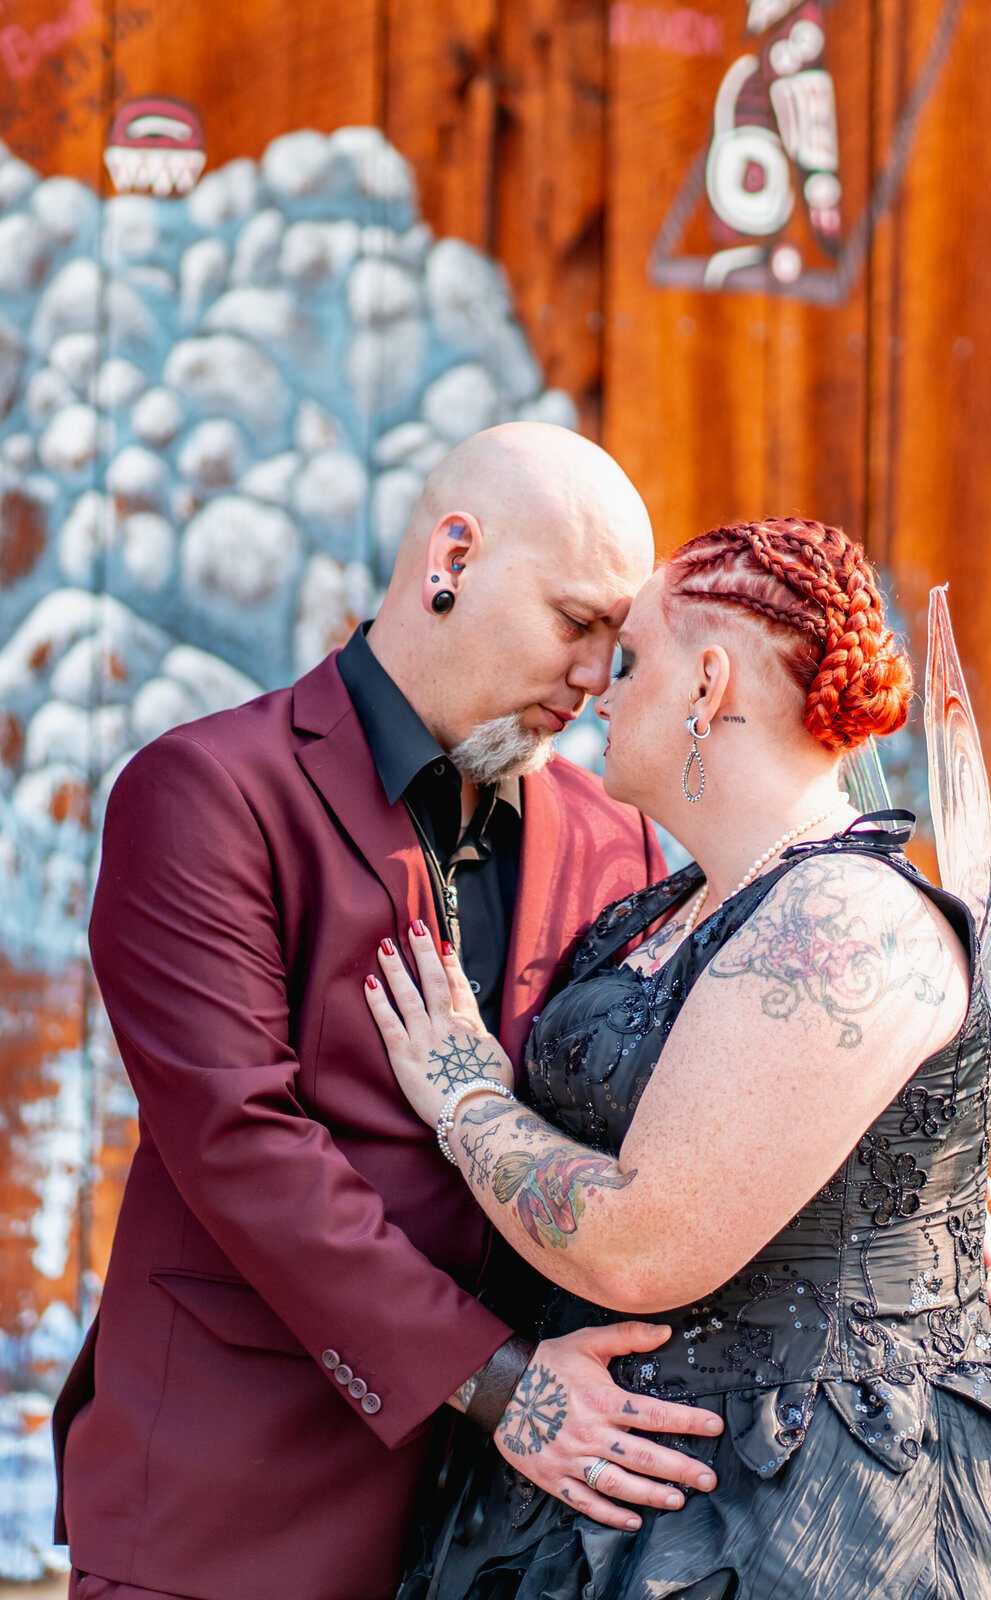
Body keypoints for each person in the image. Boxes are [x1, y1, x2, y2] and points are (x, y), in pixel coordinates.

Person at [366, 517, 991, 1599]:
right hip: (619, 1492)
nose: (602, 695)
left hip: (831, 1513)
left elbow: (642, 1244)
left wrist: (465, 1096)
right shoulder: (662, 909)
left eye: (631, 662)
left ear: (707, 683)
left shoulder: (849, 920)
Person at [52, 423, 731, 1600]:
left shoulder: (613, 834)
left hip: (510, 1541)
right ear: (450, 559)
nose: (590, 680)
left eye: (614, 648)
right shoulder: (205, 792)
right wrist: (505, 1384)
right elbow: (242, 1146)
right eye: (575, 623)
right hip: (234, 1501)